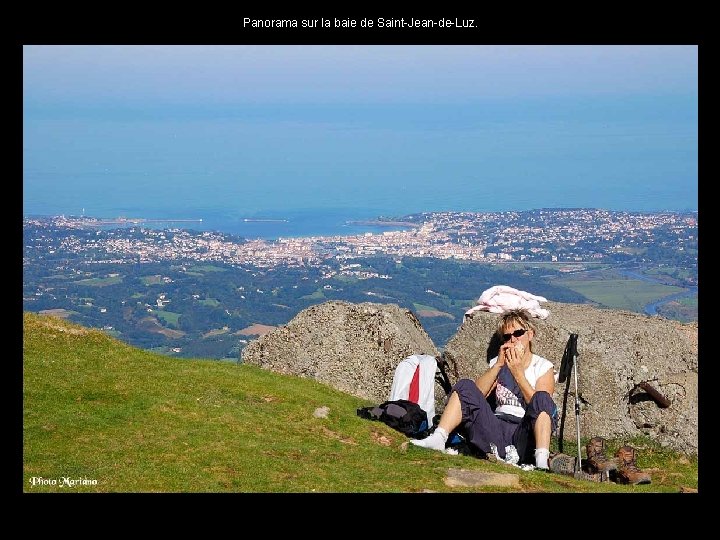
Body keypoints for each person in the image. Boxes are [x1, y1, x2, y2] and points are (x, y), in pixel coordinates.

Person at [411, 308, 558, 470]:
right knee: (465, 386)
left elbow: (541, 408)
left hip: (524, 432)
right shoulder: (499, 362)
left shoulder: (543, 366)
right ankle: (438, 438)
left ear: (530, 335)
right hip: (496, 426)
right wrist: (498, 366)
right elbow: (476, 396)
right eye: (507, 337)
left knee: (542, 397)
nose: (513, 340)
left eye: (518, 334)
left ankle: (542, 462)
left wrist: (518, 373)